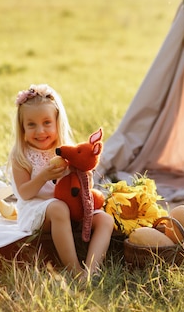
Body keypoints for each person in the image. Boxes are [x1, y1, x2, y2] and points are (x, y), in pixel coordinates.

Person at [8, 83, 114, 280]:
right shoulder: (21, 156)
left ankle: (91, 271)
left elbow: (78, 182)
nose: (40, 131)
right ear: (22, 128)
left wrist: (85, 178)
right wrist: (43, 177)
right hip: (38, 209)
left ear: (58, 122)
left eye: (47, 122)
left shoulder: (66, 151)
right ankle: (74, 270)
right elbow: (24, 193)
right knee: (58, 208)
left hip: (71, 206)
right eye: (31, 125)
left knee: (105, 219)